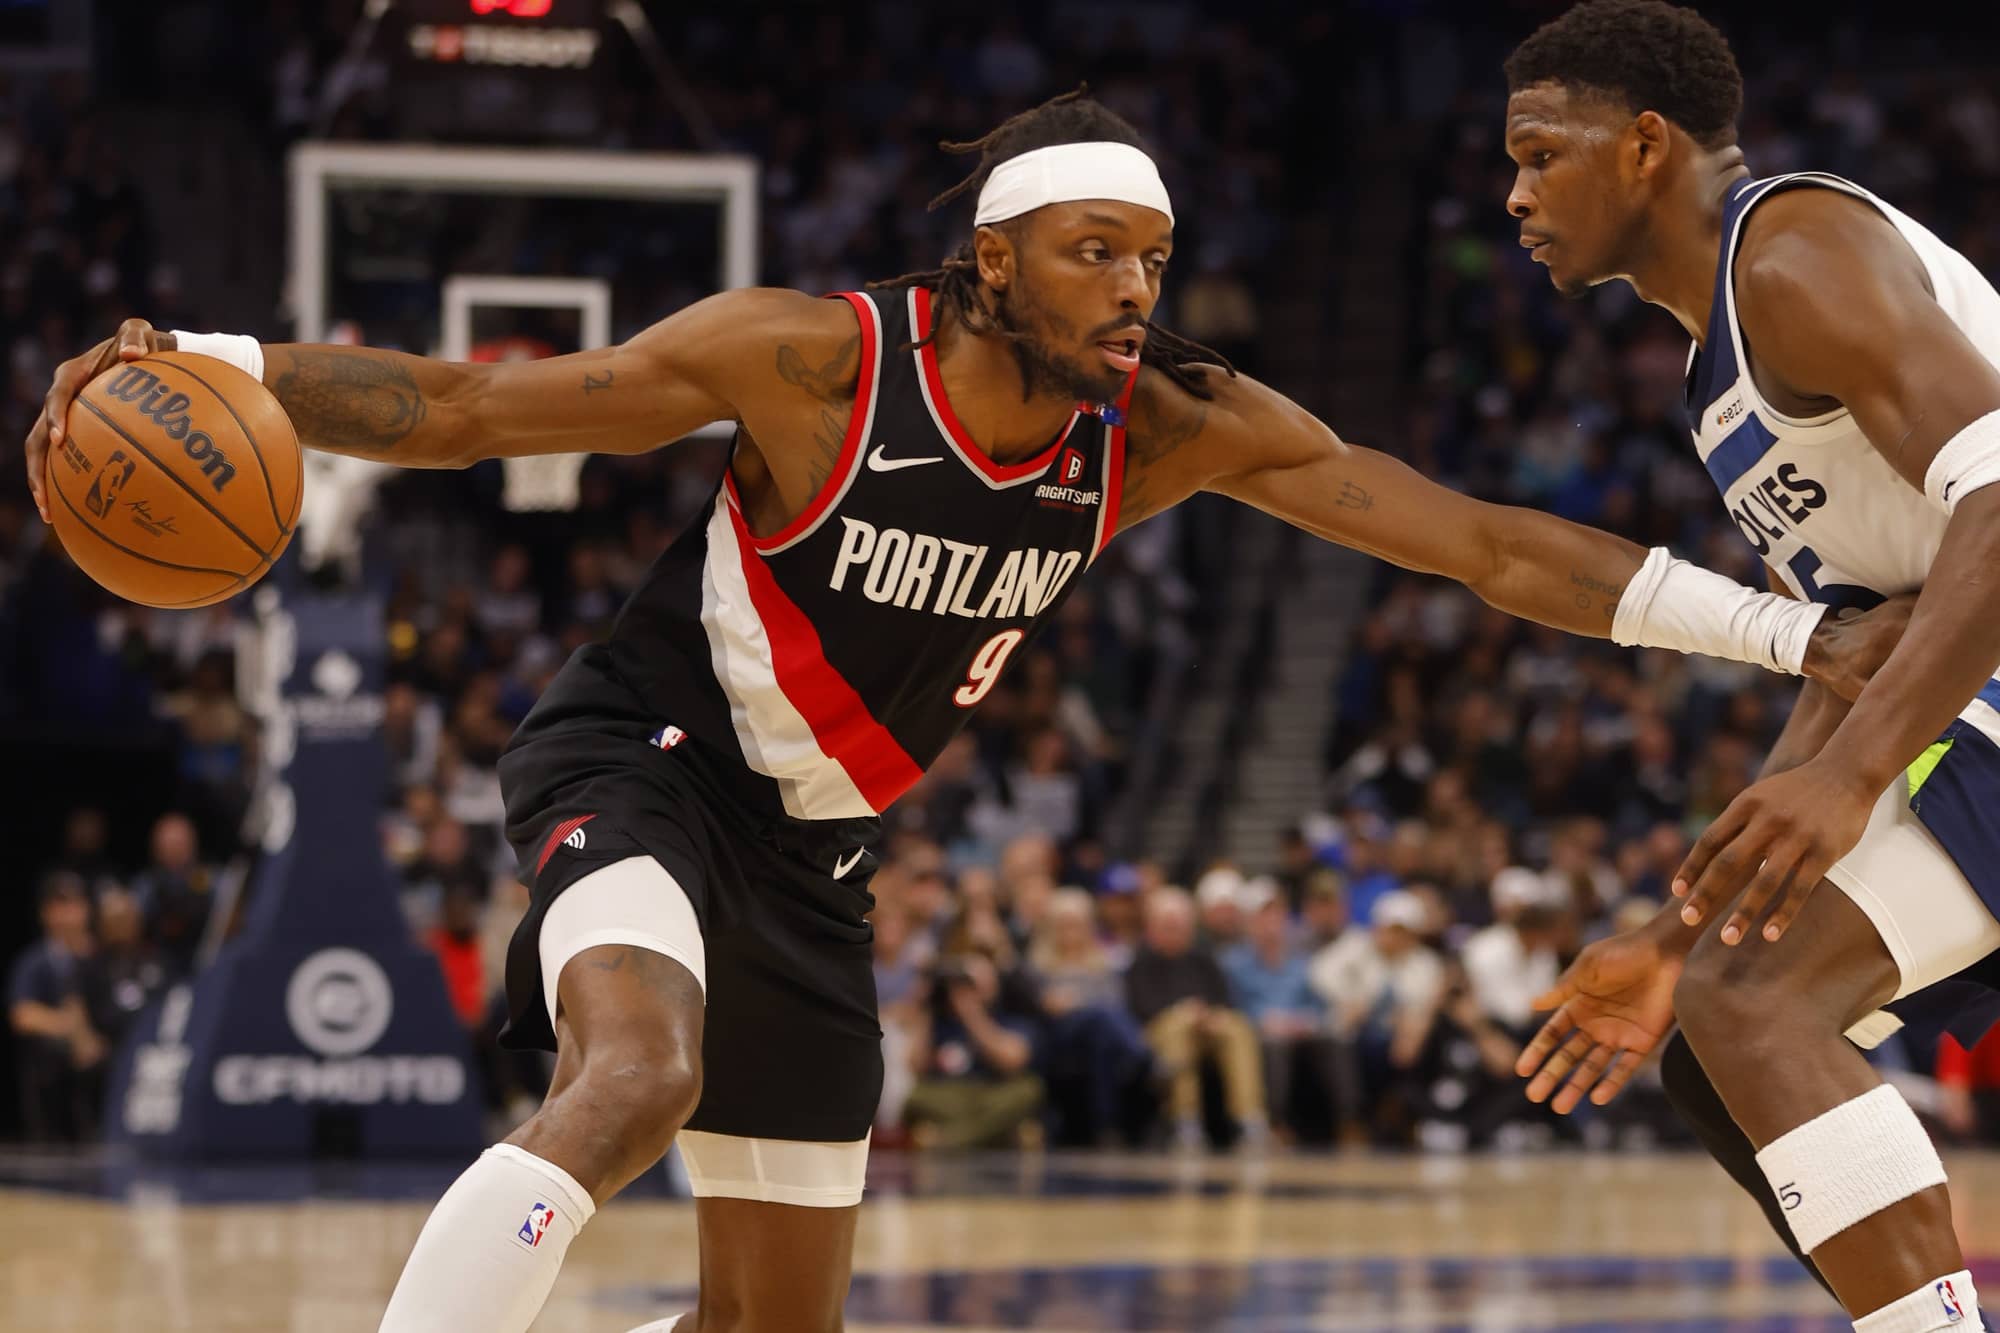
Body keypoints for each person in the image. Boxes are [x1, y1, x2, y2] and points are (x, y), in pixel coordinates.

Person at [26, 89, 1905, 1333]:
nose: (1134, 288)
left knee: (776, 1321)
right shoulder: (808, 359)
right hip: (642, 764)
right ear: (992, 256)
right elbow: (464, 413)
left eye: (1152, 257)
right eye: (1097, 252)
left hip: (820, 867)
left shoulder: (1164, 427)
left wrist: (1777, 627)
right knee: (636, 1071)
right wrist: (227, 360)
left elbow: (1486, 543)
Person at [1498, 5, 2000, 1329]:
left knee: (1757, 1002)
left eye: (1543, 154)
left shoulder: (1793, 255)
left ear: (1647, 145)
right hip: (1976, 690)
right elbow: (1861, 651)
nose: (1517, 194)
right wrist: (1675, 932)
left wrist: (1852, 784)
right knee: (1722, 1049)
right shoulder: (1719, 368)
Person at [1125, 886, 1267, 1150]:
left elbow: (1225, 999)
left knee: (1237, 1028)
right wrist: (1185, 1012)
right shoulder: (1141, 963)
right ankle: (1185, 1120)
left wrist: (1209, 1015)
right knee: (1178, 1027)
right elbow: (1142, 1008)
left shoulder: (1203, 960)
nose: (1175, 932)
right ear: (1153, 928)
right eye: (1168, 926)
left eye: (1179, 926)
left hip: (1206, 1027)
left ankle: (1250, 1120)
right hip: (1162, 1031)